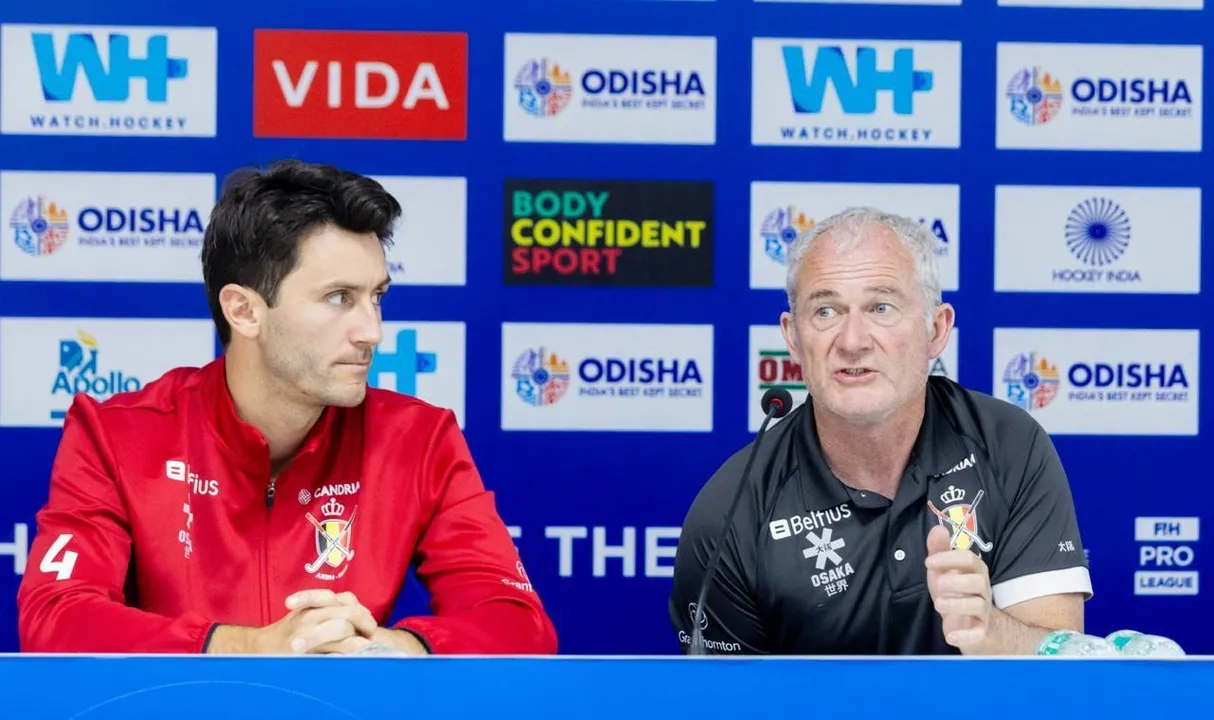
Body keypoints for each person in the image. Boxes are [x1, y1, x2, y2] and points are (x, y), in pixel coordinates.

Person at [17, 159, 558, 656]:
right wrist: (250, 648)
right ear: (244, 311)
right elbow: (55, 618)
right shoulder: (116, 435)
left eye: (377, 296)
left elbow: (520, 624)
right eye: (339, 298)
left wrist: (397, 649)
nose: (372, 331)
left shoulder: (419, 438)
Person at [669, 206, 1092, 655]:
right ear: (793, 338)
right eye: (826, 311)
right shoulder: (732, 510)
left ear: (936, 329)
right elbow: (721, 694)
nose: (852, 341)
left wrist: (993, 632)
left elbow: (1063, 666)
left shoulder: (1009, 446)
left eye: (881, 307)